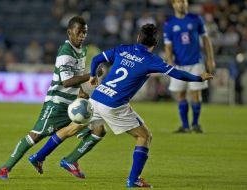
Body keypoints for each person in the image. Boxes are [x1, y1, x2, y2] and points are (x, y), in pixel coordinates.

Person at [86, 24, 212, 187]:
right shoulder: (152, 60)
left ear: (138, 37)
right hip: (114, 104)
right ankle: (133, 180)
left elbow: (96, 59)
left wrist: (92, 76)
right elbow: (176, 73)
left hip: (98, 96)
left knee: (72, 127)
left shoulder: (123, 49)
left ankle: (44, 155)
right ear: (156, 42)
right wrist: (198, 78)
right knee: (144, 136)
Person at [0, 16, 105, 180]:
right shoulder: (66, 52)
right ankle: (5, 168)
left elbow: (75, 75)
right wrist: (90, 75)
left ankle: (69, 160)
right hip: (57, 103)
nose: (82, 36)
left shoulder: (81, 50)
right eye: (79, 32)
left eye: (85, 32)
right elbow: (66, 81)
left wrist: (81, 91)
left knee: (99, 129)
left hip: (73, 102)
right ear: (70, 32)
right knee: (35, 136)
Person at [163, 0, 216, 133]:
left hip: (196, 62)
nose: (182, 5)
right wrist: (170, 62)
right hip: (179, 64)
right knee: (180, 95)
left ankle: (195, 124)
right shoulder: (169, 23)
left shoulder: (196, 19)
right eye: (179, 2)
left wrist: (210, 59)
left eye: (184, 2)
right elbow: (168, 45)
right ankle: (185, 126)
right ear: (174, 4)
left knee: (196, 94)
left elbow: (206, 40)